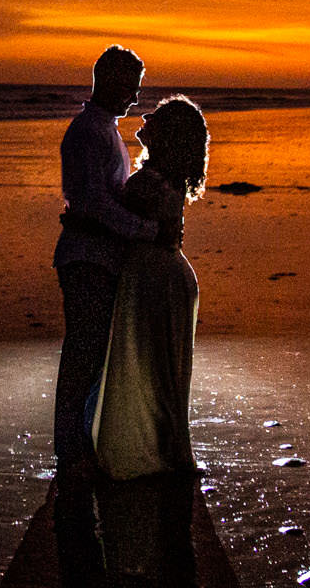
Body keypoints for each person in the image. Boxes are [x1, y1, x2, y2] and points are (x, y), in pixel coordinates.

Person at [52, 45, 157, 482]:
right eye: (131, 87)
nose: (135, 97)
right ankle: (71, 453)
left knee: (93, 357)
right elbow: (93, 202)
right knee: (82, 354)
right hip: (86, 258)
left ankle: (81, 447)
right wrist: (142, 229)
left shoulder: (107, 131)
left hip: (101, 258)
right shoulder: (88, 133)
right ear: (111, 82)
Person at [89, 95, 207, 481]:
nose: (146, 116)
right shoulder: (163, 179)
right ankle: (168, 453)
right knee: (161, 372)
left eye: (156, 117)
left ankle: (162, 458)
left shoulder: (152, 183)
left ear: (167, 135)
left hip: (156, 281)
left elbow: (112, 218)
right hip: (161, 276)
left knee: (155, 371)